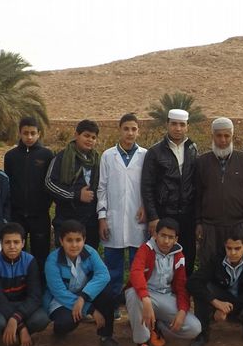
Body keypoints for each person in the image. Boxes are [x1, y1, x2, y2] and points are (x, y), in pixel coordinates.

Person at [124, 218, 202, 346]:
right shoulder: (145, 249)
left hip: (165, 297)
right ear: (155, 234)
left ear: (176, 239)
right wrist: (145, 297)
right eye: (163, 235)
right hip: (145, 296)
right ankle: (143, 345)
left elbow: (181, 286)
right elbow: (136, 273)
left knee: (194, 328)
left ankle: (157, 326)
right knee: (133, 294)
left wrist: (182, 310)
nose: (166, 241)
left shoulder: (179, 256)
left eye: (170, 237)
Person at [43, 219, 122, 346]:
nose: (74, 245)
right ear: (61, 241)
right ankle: (59, 331)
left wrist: (83, 298)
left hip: (85, 295)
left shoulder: (90, 252)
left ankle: (106, 336)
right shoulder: (52, 260)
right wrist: (90, 310)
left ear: (84, 240)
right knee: (65, 322)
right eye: (69, 240)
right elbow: (59, 292)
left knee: (107, 293)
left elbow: (103, 275)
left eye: (78, 240)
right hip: (61, 300)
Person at [97, 113, 148, 316]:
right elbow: (102, 188)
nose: (130, 133)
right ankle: (113, 306)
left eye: (134, 129)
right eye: (126, 128)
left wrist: (146, 207)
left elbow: (149, 185)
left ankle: (134, 306)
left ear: (138, 131)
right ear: (120, 130)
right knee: (113, 268)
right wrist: (102, 218)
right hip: (114, 219)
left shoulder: (145, 155)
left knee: (137, 266)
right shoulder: (108, 156)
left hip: (138, 219)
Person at [187, 226, 243, 346]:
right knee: (203, 288)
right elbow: (193, 282)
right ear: (225, 246)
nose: (232, 253)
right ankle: (202, 334)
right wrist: (215, 302)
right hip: (223, 297)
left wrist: (227, 309)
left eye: (237, 248)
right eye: (229, 248)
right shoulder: (217, 258)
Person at [0, 222, 50, 346]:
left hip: (21, 304)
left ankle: (15, 332)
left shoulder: (30, 261)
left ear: (23, 243)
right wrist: (20, 324)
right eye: (7, 242)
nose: (12, 246)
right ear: (1, 244)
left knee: (41, 319)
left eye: (16, 242)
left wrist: (15, 318)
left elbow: (35, 296)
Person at [141, 108, 199, 273]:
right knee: (163, 256)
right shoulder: (155, 152)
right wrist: (153, 217)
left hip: (187, 214)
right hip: (164, 213)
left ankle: (185, 288)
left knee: (187, 256)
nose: (178, 128)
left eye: (182, 125)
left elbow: (195, 183)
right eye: (174, 124)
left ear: (187, 126)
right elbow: (147, 186)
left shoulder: (192, 149)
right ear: (167, 124)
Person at [195, 117, 243, 264]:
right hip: (210, 227)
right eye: (219, 135)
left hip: (238, 225)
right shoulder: (202, 162)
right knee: (209, 265)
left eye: (226, 135)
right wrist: (198, 223)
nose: (223, 140)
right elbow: (197, 195)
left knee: (237, 265)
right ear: (212, 136)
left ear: (232, 136)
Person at [4, 116, 54, 269]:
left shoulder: (47, 155)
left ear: (39, 133)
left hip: (40, 215)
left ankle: (39, 282)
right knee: (15, 253)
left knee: (41, 255)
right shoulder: (11, 156)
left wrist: (44, 205)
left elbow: (50, 183)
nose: (29, 137)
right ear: (20, 133)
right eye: (26, 133)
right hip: (17, 215)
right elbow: (8, 183)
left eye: (33, 133)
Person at [45, 119, 102, 249]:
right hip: (67, 220)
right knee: (66, 258)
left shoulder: (97, 160)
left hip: (90, 223)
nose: (90, 140)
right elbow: (49, 183)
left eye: (93, 137)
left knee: (88, 258)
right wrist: (76, 195)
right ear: (76, 135)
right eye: (86, 135)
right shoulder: (62, 157)